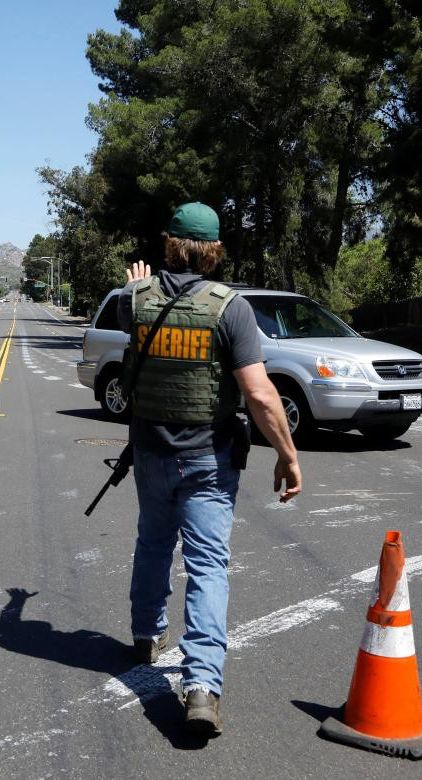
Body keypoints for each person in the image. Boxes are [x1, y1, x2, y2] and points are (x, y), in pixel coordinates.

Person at [118, 202, 301, 737]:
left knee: (152, 543)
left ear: (169, 243)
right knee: (208, 567)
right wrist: (288, 455)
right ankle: (200, 687)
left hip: (149, 451)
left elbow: (136, 339)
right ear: (215, 250)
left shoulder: (137, 301)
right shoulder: (232, 310)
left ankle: (146, 637)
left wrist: (135, 288)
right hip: (207, 460)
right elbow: (260, 395)